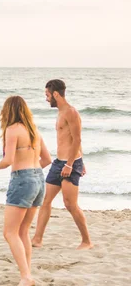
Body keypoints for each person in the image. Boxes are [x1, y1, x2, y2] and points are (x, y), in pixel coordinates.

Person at [0, 96, 52, 286]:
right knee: (23, 231)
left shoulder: (12, 130)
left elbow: (8, 160)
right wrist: (32, 174)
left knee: (9, 232)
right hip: (38, 179)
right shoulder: (34, 131)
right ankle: (27, 273)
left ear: (8, 111)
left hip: (23, 180)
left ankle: (25, 276)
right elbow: (47, 159)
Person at [31, 79, 93, 250]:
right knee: (45, 200)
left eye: (47, 95)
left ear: (55, 94)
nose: (46, 99)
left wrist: (72, 164)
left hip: (69, 164)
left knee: (70, 204)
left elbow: (78, 138)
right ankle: (37, 239)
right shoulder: (60, 112)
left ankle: (87, 241)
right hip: (59, 162)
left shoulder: (71, 113)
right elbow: (73, 139)